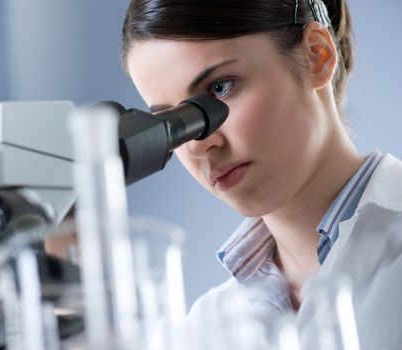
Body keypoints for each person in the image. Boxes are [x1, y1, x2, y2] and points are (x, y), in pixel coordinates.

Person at [121, 0, 402, 349]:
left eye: (220, 88)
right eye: (170, 124)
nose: (198, 146)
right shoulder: (204, 328)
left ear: (317, 55)